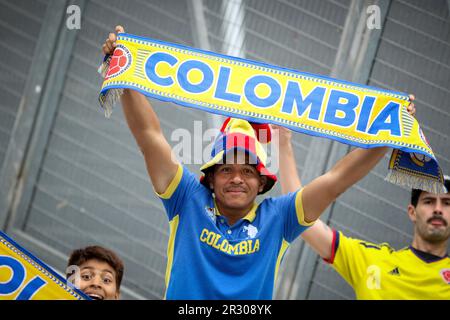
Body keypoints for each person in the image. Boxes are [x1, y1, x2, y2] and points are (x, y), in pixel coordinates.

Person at [101, 25, 414, 299]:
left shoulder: (279, 217)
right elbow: (149, 136)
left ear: (262, 182)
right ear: (209, 178)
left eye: (248, 171)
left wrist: (389, 138)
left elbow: (335, 182)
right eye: (226, 169)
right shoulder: (186, 200)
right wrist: (125, 68)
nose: (237, 177)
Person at [276, 123, 450, 300]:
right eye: (428, 201)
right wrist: (283, 142)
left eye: (447, 203)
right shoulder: (372, 260)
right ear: (412, 212)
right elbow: (300, 214)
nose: (437, 209)